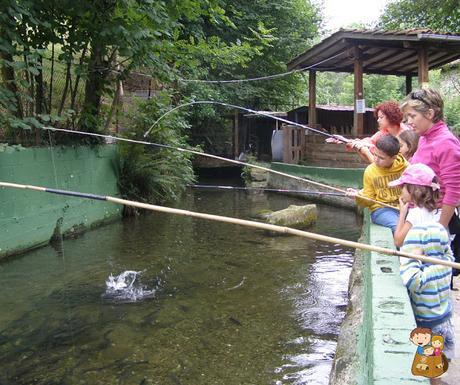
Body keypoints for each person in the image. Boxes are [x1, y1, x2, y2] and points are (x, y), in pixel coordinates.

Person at [400, 222, 455, 384]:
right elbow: (447, 251)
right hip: (444, 322)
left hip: (431, 326)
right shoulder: (446, 263)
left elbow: (412, 280)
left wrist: (413, 258)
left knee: (431, 368)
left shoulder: (429, 273)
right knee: (438, 362)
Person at [400, 87, 460, 230]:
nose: (408, 121)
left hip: (436, 218)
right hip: (421, 213)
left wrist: (441, 227)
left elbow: (454, 189)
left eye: (412, 116)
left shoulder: (445, 142)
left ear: (430, 114)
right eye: (407, 117)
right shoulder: (424, 138)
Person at [346, 134, 408, 233]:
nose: (376, 160)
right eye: (375, 155)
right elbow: (368, 199)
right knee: (397, 228)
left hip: (404, 206)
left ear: (394, 158)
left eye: (382, 158)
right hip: (381, 209)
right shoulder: (370, 171)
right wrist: (357, 196)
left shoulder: (406, 167)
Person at [326, 100, 408, 163]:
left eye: (381, 117)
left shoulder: (406, 133)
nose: (378, 120)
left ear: (391, 117)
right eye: (378, 117)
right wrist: (343, 140)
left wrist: (363, 148)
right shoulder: (383, 133)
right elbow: (369, 142)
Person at [391, 163, 441, 248]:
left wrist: (402, 214)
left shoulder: (416, 213)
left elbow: (398, 242)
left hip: (416, 260)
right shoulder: (439, 211)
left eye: (403, 186)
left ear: (413, 189)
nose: (401, 190)